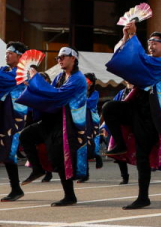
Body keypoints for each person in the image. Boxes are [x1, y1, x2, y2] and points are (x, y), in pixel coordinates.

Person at [104, 26, 161, 210]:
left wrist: (133, 36)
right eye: (149, 43)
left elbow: (140, 60)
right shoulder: (149, 61)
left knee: (142, 155)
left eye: (155, 43)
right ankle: (120, 144)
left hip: (152, 115)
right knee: (109, 108)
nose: (151, 46)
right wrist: (126, 37)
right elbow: (129, 58)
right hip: (136, 107)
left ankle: (143, 197)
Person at [16, 47, 89, 206]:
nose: (59, 60)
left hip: (68, 123)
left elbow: (57, 95)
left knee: (60, 158)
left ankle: (70, 196)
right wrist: (33, 85)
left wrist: (37, 80)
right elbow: (49, 93)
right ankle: (37, 169)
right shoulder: (60, 76)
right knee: (26, 136)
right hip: (53, 119)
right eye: (58, 58)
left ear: (73, 58)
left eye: (63, 57)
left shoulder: (78, 79)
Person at [1, 41, 32, 201]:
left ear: (20, 57)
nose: (7, 56)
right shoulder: (4, 70)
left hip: (14, 116)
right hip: (3, 114)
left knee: (9, 151)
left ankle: (16, 188)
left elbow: (5, 80)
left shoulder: (22, 73)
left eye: (10, 53)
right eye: (6, 53)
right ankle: (16, 188)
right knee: (6, 151)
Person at [100, 81, 135, 185]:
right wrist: (105, 127)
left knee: (139, 151)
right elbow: (110, 110)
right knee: (119, 152)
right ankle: (124, 176)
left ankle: (145, 173)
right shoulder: (121, 93)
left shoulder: (139, 91)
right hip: (120, 128)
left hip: (134, 126)